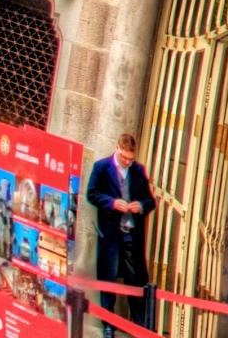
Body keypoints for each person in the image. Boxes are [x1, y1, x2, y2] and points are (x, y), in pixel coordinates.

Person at [85, 132, 157, 329]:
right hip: (110, 235)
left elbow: (151, 201)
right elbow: (91, 194)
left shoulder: (138, 171)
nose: (127, 162)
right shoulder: (101, 167)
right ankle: (108, 326)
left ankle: (143, 328)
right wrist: (112, 203)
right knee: (108, 280)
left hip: (132, 236)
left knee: (137, 281)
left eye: (130, 158)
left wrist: (141, 206)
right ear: (116, 148)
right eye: (124, 157)